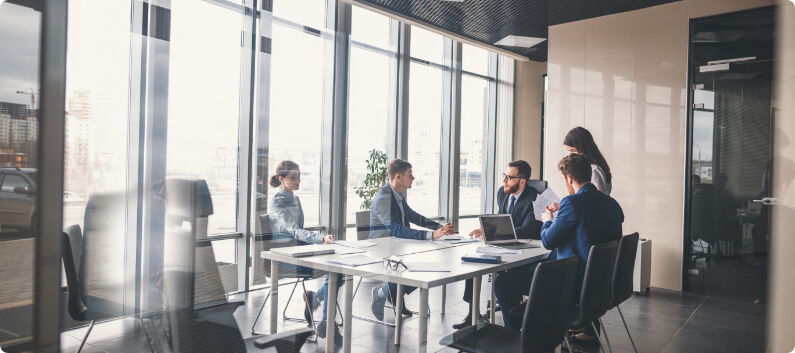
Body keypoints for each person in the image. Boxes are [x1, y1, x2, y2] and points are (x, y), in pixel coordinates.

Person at [493, 153, 624, 346]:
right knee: (533, 269)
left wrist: (547, 221)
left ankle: (517, 339)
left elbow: (547, 240)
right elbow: (590, 232)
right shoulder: (612, 204)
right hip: (601, 283)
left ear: (569, 178)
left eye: (565, 179)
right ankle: (531, 330)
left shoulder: (572, 203)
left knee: (503, 282)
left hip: (572, 285)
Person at [454, 160, 542, 329]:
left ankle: (514, 323)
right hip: (503, 244)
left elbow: (528, 230)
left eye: (509, 177)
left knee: (506, 277)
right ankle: (473, 313)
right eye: (504, 176)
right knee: (475, 261)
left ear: (522, 181)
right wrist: (486, 229)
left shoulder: (534, 198)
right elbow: (501, 220)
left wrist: (493, 233)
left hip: (526, 249)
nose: (504, 181)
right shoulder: (502, 192)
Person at [369, 159, 455, 321]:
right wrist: (431, 235)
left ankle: (392, 293)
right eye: (410, 174)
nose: (413, 178)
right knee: (417, 268)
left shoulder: (397, 195)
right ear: (398, 177)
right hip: (382, 249)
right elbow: (396, 229)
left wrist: (440, 228)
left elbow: (413, 216)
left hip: (398, 246)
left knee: (424, 267)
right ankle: (383, 293)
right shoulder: (383, 198)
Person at [268, 160, 342, 344]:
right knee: (335, 270)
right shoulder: (277, 202)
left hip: (299, 252)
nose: (298, 180)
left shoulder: (295, 198)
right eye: (293, 177)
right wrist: (320, 238)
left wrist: (318, 243)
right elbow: (294, 231)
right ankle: (325, 320)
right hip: (285, 258)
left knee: (339, 267)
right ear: (281, 178)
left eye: (299, 176)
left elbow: (299, 233)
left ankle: (316, 300)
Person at [563, 126, 613, 195]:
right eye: (568, 151)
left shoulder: (594, 170)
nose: (570, 155)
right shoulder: (587, 168)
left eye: (573, 150)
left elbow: (597, 202)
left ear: (584, 148)